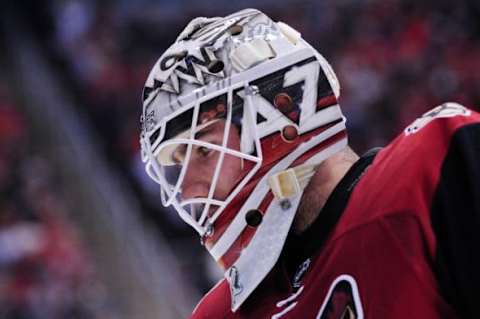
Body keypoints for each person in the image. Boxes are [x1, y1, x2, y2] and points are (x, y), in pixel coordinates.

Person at [139, 8, 480, 318]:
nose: (186, 190)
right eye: (178, 163)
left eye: (203, 151)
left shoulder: (431, 168)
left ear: (283, 116)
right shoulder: (220, 314)